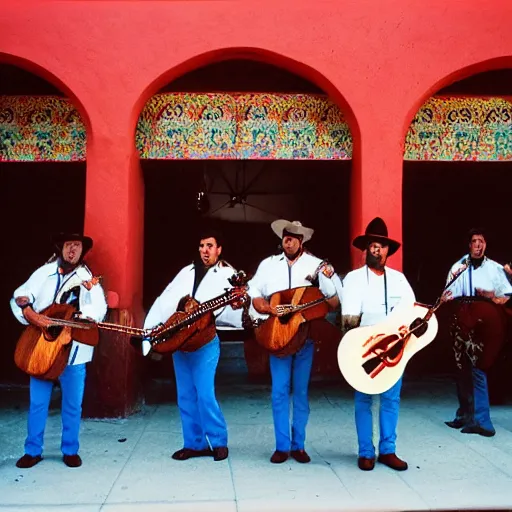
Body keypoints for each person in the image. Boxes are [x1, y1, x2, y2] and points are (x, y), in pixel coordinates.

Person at [143, 229, 244, 462]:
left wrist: (239, 304)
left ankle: (218, 441)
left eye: (210, 245)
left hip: (205, 342)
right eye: (201, 245)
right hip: (181, 343)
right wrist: (153, 329)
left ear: (219, 249)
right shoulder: (186, 272)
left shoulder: (227, 273)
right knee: (186, 395)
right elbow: (165, 300)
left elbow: (235, 305)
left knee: (205, 394)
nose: (205, 250)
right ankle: (194, 444)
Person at [11, 233, 108, 469]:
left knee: (73, 403)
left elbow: (99, 309)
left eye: (77, 246)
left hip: (73, 349)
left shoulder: (87, 278)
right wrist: (31, 314)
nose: (72, 250)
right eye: (68, 245)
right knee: (38, 402)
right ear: (61, 249)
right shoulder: (44, 272)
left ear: (82, 251)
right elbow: (20, 295)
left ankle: (70, 449)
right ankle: (32, 450)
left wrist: (86, 312)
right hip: (43, 346)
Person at [248, 219, 341, 464]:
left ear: (302, 241)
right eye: (286, 236)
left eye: (294, 236)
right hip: (277, 334)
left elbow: (333, 298)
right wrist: (268, 307)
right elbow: (253, 292)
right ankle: (281, 446)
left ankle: (298, 445)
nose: (288, 240)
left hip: (305, 335)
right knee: (279, 391)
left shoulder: (317, 265)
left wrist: (328, 278)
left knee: (300, 392)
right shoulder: (268, 265)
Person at [341, 217, 415, 471]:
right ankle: (365, 452)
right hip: (364, 349)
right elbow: (349, 323)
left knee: (391, 400)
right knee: (363, 401)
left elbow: (411, 314)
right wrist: (353, 353)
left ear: (387, 251)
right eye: (373, 244)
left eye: (382, 246)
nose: (377, 249)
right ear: (367, 248)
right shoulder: (352, 279)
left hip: (394, 350)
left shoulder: (399, 280)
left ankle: (388, 450)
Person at [442, 228, 512, 437]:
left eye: (481, 241)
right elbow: (449, 294)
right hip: (463, 319)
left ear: (485, 245)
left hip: (486, 322)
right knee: (461, 367)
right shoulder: (458, 267)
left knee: (479, 369)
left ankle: (482, 420)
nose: (478, 245)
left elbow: (506, 297)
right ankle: (465, 415)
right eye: (474, 241)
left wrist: (492, 297)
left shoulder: (495, 269)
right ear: (469, 245)